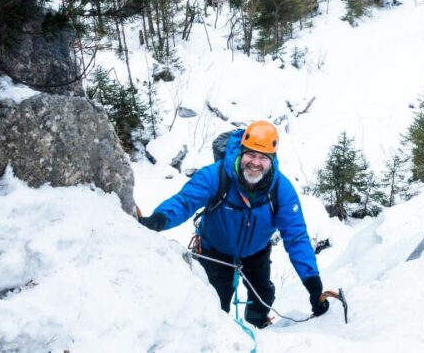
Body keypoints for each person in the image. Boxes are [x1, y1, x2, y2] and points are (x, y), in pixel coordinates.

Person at [138, 121, 329, 328]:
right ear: (241, 152)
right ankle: (219, 338)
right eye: (251, 154)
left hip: (256, 253)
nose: (255, 162)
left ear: (272, 160)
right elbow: (185, 201)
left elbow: (296, 237)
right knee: (214, 303)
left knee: (264, 295)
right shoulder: (217, 176)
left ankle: (260, 326)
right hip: (214, 251)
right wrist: (157, 220)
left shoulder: (281, 190)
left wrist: (313, 285)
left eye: (263, 157)